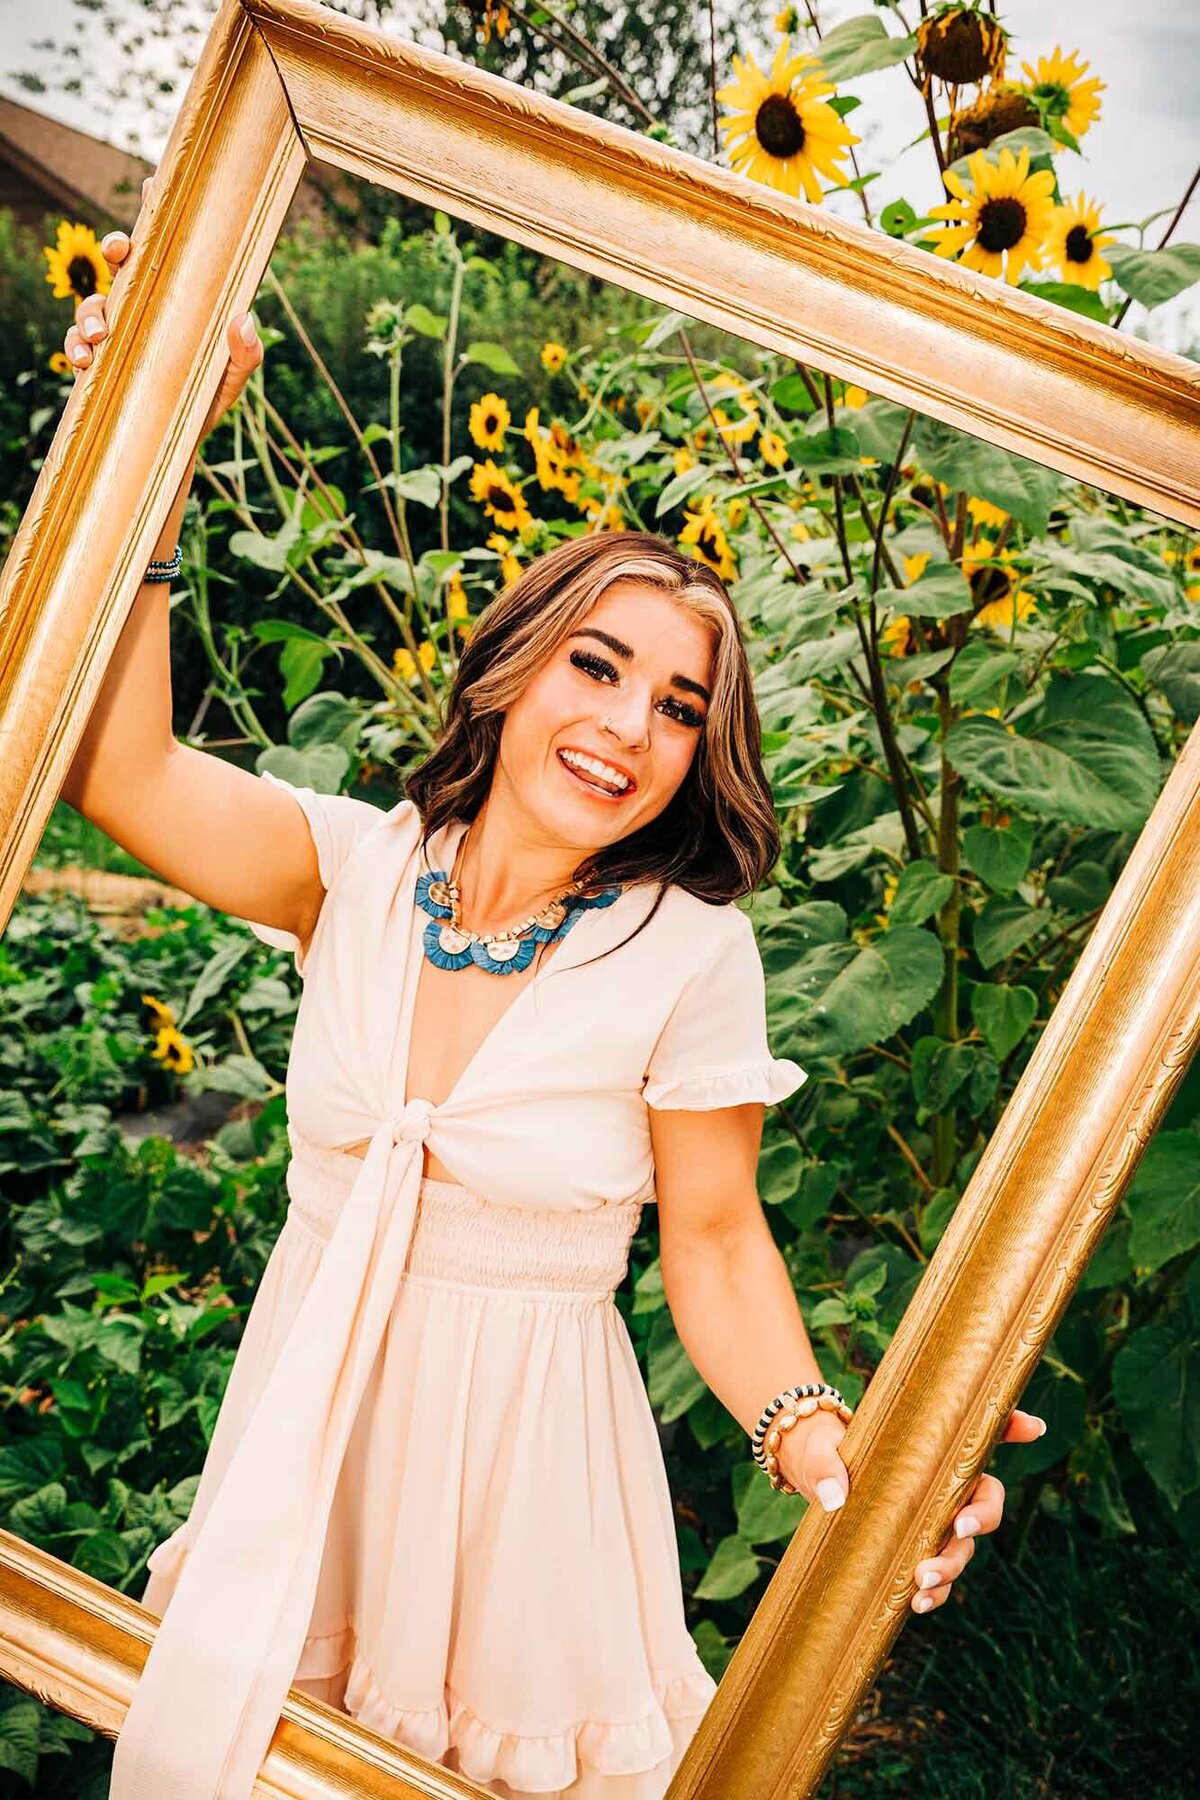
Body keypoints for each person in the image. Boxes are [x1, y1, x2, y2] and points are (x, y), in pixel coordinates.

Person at [57, 200, 1045, 1800]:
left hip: (530, 1499)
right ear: (516, 669)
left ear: (694, 761)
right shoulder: (356, 871)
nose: (626, 725)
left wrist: (826, 1448)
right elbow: (118, 770)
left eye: (678, 706)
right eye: (598, 665)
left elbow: (715, 1241)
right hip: (311, 1467)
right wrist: (150, 435)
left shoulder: (683, 952)